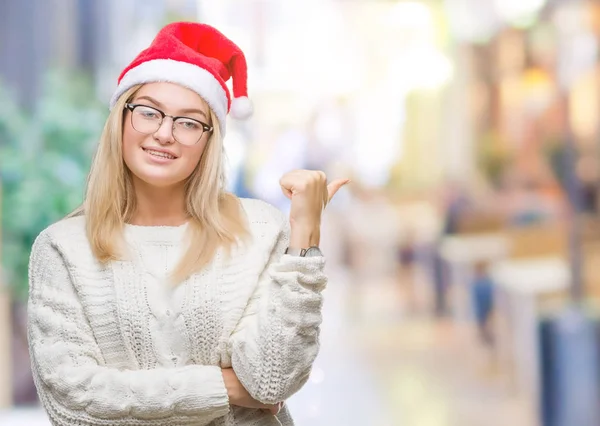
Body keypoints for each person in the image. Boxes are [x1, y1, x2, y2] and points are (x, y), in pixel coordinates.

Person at [26, 22, 349, 426]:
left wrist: (305, 236)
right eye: (148, 112)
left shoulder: (261, 230)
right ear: (120, 120)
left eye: (189, 122)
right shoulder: (62, 248)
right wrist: (226, 388)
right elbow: (73, 403)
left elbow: (271, 382)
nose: (164, 133)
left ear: (209, 140)